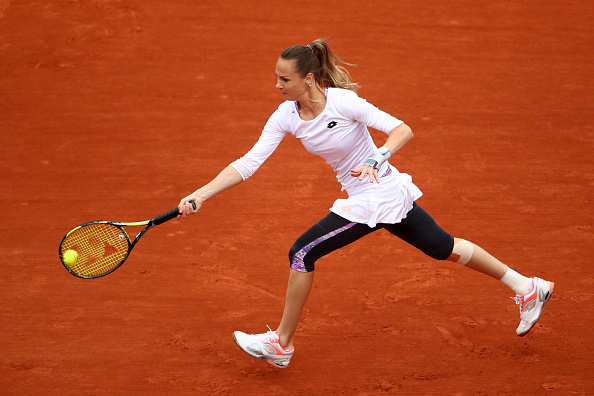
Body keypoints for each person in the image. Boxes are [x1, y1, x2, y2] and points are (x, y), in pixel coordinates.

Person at [177, 39, 555, 369]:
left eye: (285, 79)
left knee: (301, 253)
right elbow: (248, 163)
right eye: (276, 77)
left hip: (378, 193)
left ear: (308, 78)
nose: (277, 85)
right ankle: (526, 286)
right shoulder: (285, 116)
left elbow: (402, 129)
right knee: (443, 247)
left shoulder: (343, 103)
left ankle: (282, 343)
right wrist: (201, 194)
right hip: (372, 195)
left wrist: (378, 157)